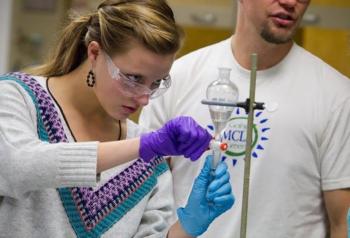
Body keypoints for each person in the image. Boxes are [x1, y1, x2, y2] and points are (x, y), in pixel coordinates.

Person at [0, 0, 235, 237]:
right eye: (133, 78)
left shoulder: (148, 161)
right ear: (94, 52)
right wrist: (144, 146)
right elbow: (17, 167)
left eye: (156, 83)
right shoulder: (17, 97)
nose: (144, 99)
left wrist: (187, 226)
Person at [140, 0, 350, 237]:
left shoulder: (337, 96)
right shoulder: (174, 80)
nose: (290, 2)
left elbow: (342, 222)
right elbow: (144, 205)